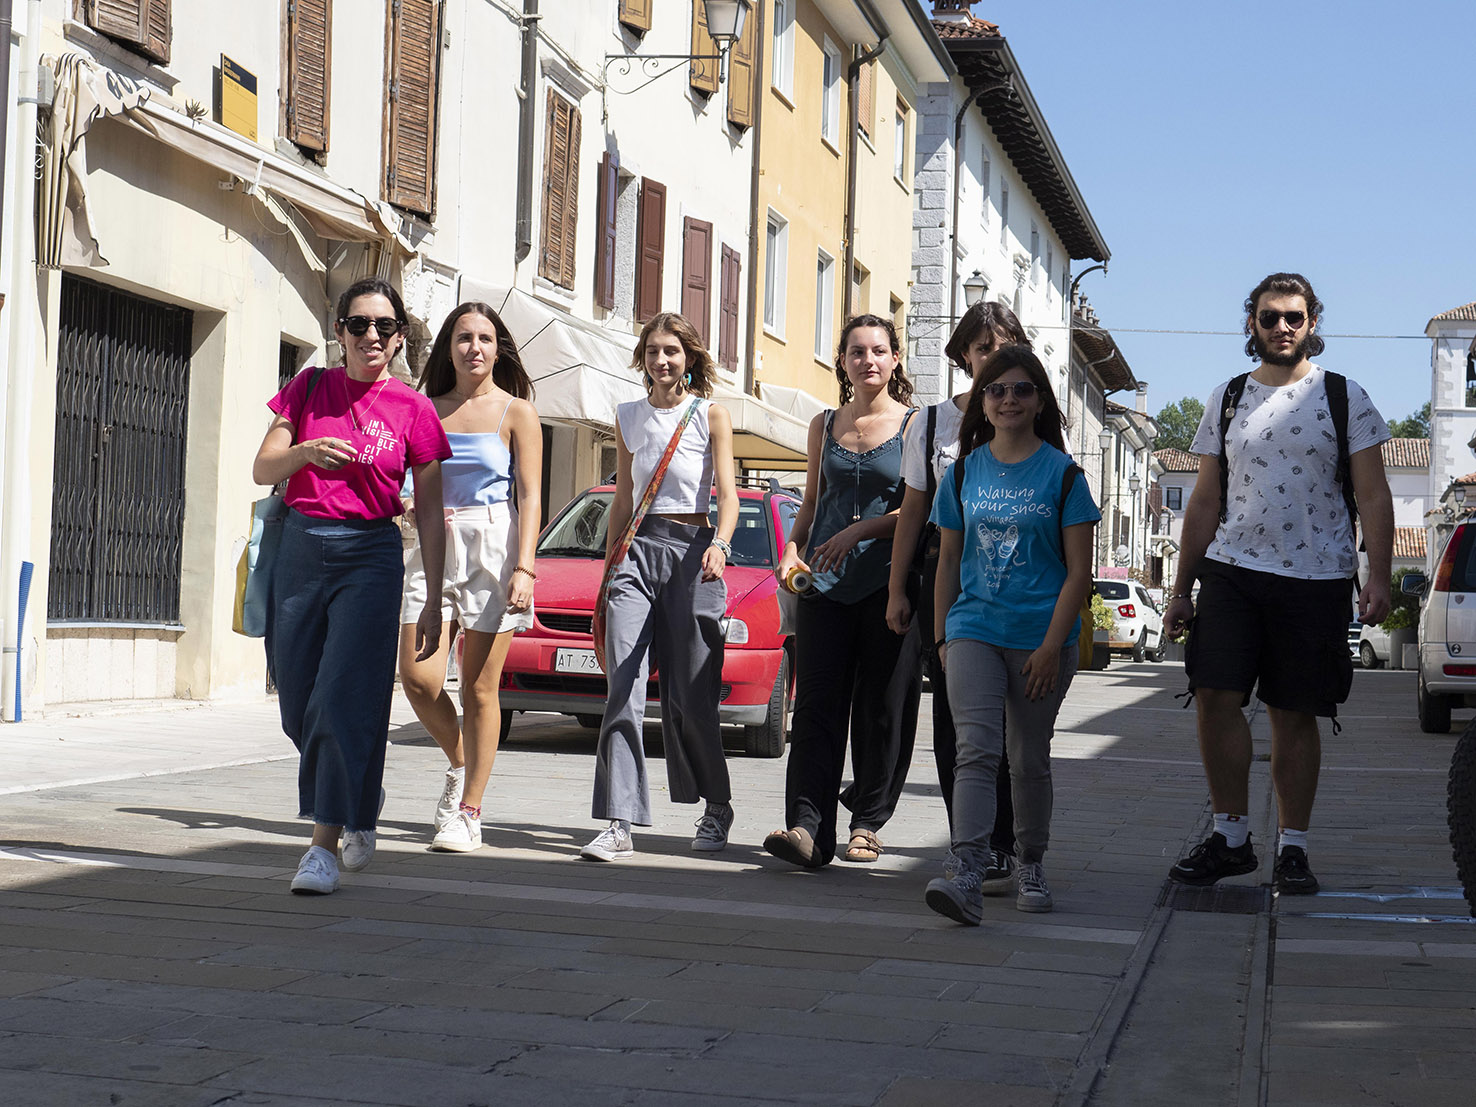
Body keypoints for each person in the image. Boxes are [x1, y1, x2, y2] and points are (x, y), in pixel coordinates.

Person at [1165, 272, 1393, 895]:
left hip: (1316, 576)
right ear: (1252, 325)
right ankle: (1231, 836)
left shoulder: (1346, 396)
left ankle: (1293, 846)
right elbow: (1206, 498)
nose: (1283, 327)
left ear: (1312, 323)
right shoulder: (1229, 397)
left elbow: (1373, 492)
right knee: (1214, 695)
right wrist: (1182, 589)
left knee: (1296, 713)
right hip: (1233, 570)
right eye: (1270, 317)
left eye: (1294, 317)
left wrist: (1380, 575)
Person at [253, 277, 451, 895]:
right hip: (302, 547)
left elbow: (430, 511)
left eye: (384, 327)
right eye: (359, 325)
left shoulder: (413, 410)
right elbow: (262, 466)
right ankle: (362, 792)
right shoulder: (309, 388)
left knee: (340, 700)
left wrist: (435, 600)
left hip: (371, 553)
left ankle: (322, 846)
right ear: (338, 333)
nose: (371, 336)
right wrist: (306, 451)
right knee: (297, 702)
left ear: (397, 339)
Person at [923, 345, 1099, 923]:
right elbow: (948, 561)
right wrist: (944, 637)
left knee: (1027, 759)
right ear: (983, 402)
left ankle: (1031, 859)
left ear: (1040, 400)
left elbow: (1080, 573)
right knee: (975, 750)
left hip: (1040, 637)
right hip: (973, 627)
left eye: (1021, 389)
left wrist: (1053, 645)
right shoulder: (963, 471)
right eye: (996, 390)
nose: (1007, 399)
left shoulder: (1065, 475)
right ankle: (968, 873)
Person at [764, 315, 923, 869]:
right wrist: (791, 549)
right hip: (824, 589)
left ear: (895, 359)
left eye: (879, 350)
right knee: (814, 709)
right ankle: (806, 827)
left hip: (888, 587)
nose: (868, 360)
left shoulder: (914, 427)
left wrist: (860, 529)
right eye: (857, 352)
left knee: (882, 711)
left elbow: (917, 511)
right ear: (843, 361)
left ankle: (866, 823)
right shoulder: (823, 424)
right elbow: (810, 504)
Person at [580, 312, 740, 861]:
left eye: (672, 350)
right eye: (652, 350)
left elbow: (729, 495)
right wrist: (608, 572)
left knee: (691, 698)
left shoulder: (708, 415)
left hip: (695, 555)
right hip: (634, 553)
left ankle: (716, 805)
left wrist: (720, 542)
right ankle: (619, 821)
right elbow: (622, 497)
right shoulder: (627, 415)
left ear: (689, 357)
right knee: (622, 687)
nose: (661, 360)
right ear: (642, 357)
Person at [886, 301, 1030, 891]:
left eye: (1003, 346)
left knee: (1009, 719)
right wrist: (897, 588)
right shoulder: (930, 424)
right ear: (964, 356)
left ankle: (1009, 842)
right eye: (981, 348)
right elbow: (913, 511)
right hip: (946, 576)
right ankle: (971, 843)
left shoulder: (1034, 417)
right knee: (954, 716)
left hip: (1015, 580)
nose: (992, 358)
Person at [397, 303, 542, 853]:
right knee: (418, 678)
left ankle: (469, 811)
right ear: (448, 347)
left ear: (497, 348)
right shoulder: (423, 408)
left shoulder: (517, 412)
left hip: (492, 545)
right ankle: (460, 762)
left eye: (484, 338)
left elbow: (528, 495)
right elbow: (404, 477)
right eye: (463, 337)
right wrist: (406, 502)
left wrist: (525, 566)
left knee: (481, 687)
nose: (474, 347)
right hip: (432, 542)